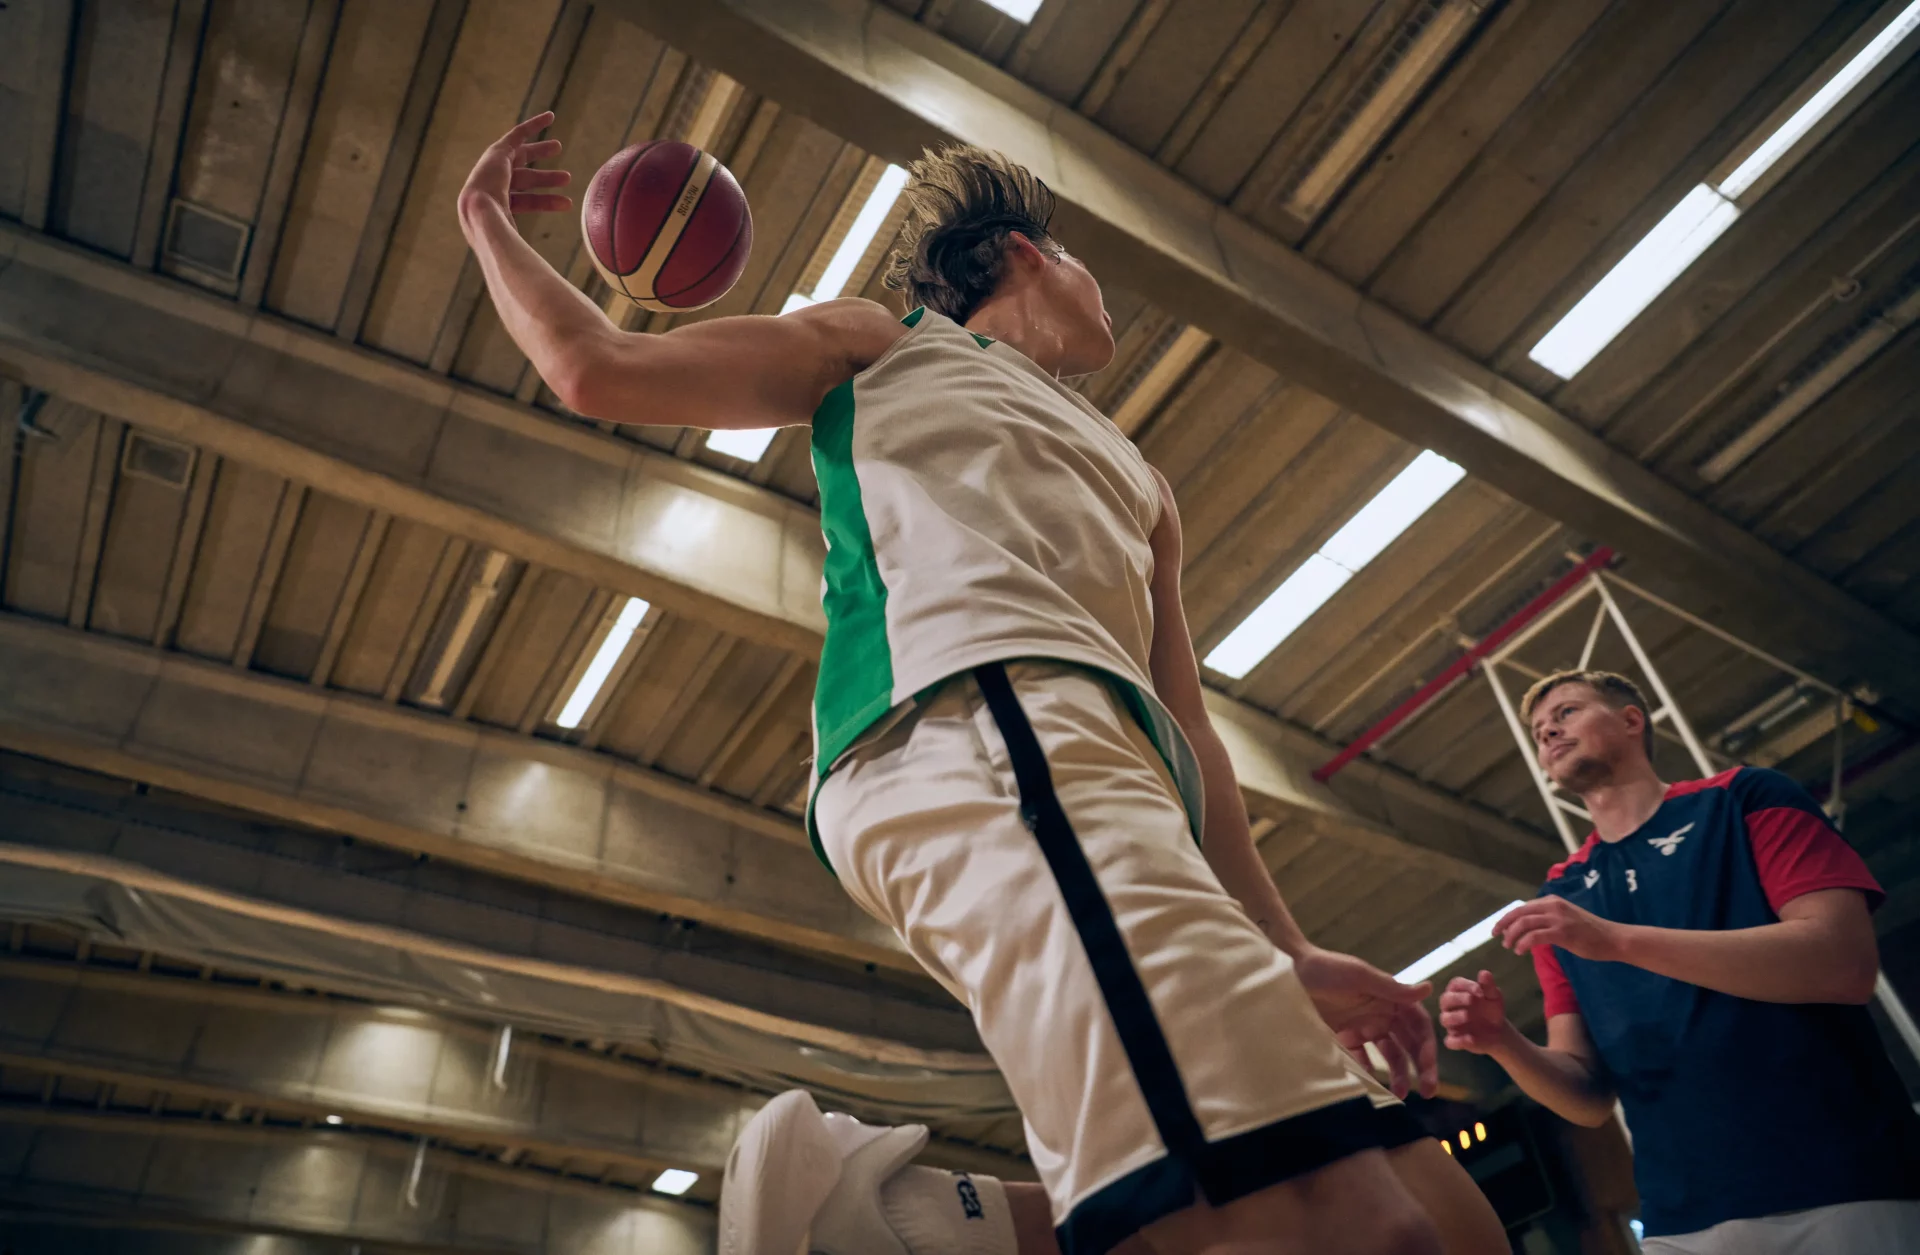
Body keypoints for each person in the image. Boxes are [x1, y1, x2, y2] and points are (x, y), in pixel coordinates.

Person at [459, 113, 1506, 1255]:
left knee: (1448, 1219)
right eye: (1082, 258)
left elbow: (1191, 732)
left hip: (1108, 773)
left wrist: (1287, 947)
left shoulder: (1145, 483)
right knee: (1334, 1224)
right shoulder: (887, 343)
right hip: (975, 734)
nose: (1105, 293)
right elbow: (595, 368)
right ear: (1023, 255)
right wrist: (487, 223)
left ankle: (918, 1229)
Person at [1439, 668, 1920, 1253]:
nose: (1549, 733)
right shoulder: (1559, 901)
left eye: (1566, 712)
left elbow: (1842, 963)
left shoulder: (1745, 797)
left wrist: (1617, 941)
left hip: (1845, 1181)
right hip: (1680, 1218)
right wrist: (1502, 1044)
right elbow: (1588, 1098)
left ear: (1631, 720)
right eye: (1539, 730)